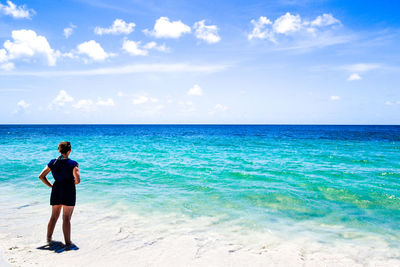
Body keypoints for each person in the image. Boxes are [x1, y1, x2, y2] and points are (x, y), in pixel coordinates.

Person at [38, 141, 80, 249]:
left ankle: (48, 239)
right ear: (69, 151)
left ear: (60, 150)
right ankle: (68, 243)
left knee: (54, 217)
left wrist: (51, 186)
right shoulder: (73, 164)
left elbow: (41, 176)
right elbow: (78, 180)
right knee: (66, 218)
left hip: (56, 190)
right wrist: (70, 183)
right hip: (69, 191)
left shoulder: (53, 162)